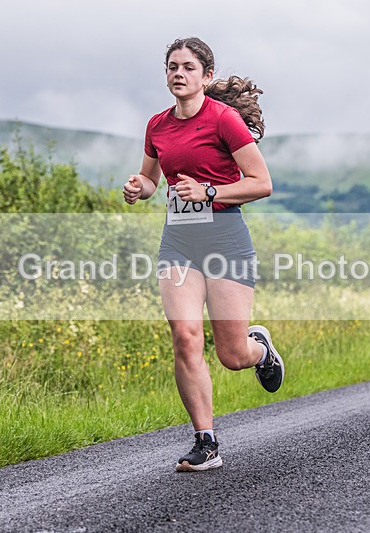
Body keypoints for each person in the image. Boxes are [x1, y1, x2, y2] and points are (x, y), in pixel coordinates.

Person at [122, 37, 284, 471]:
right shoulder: (157, 125)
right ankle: (205, 441)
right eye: (172, 66)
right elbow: (152, 179)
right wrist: (141, 188)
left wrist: (210, 191)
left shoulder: (224, 120)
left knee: (232, 355)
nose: (179, 73)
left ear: (206, 75)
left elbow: (261, 182)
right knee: (186, 337)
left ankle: (261, 349)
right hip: (178, 242)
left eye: (188, 67)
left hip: (226, 239)